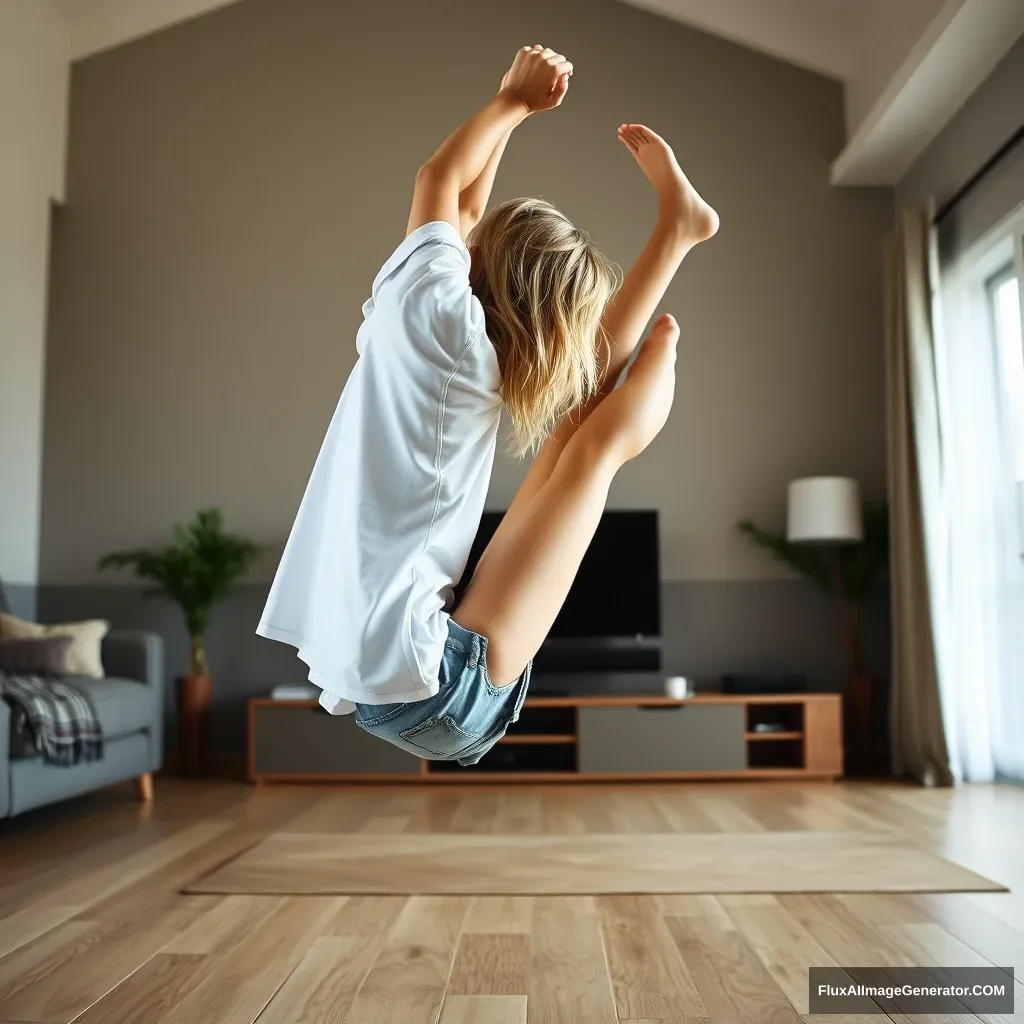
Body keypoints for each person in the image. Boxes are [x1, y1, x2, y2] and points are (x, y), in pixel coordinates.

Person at [257, 44, 718, 764]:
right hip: (428, 683)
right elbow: (461, 203)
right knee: (581, 430)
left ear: (478, 263)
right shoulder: (468, 346)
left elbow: (446, 184)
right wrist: (514, 108)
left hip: (435, 682)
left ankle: (678, 236)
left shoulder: (435, 321)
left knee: (586, 441)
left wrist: (514, 103)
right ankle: (677, 235)